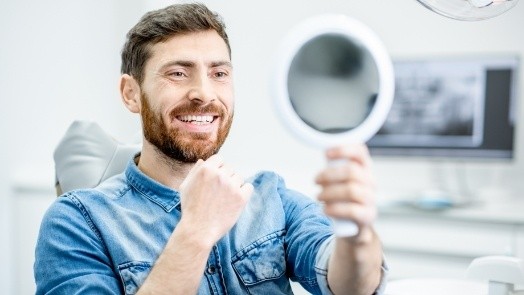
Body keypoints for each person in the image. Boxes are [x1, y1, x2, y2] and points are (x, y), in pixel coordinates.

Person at [34, 3, 387, 294]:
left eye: (219, 74)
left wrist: (355, 233)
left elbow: (350, 286)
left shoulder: (270, 197)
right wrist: (195, 233)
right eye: (177, 73)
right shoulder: (77, 222)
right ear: (131, 93)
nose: (204, 93)